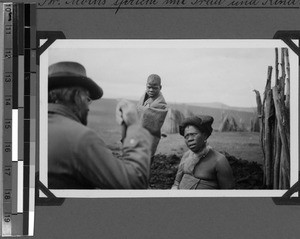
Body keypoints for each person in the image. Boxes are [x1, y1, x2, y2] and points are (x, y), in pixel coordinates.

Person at [48, 61, 153, 189]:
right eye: (88, 99)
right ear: (77, 97)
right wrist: (134, 125)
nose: (88, 108)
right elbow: (135, 183)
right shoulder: (80, 139)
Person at [172, 115, 234, 189]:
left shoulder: (219, 161)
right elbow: (176, 183)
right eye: (186, 136)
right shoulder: (186, 156)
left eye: (193, 134)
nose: (189, 139)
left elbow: (228, 195)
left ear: (204, 136)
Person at [137, 74, 168, 156]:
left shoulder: (161, 103)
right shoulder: (144, 96)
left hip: (151, 137)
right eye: (149, 87)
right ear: (146, 86)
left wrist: (143, 110)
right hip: (139, 133)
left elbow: (154, 117)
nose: (151, 90)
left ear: (160, 87)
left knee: (147, 157)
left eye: (155, 88)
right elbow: (140, 109)